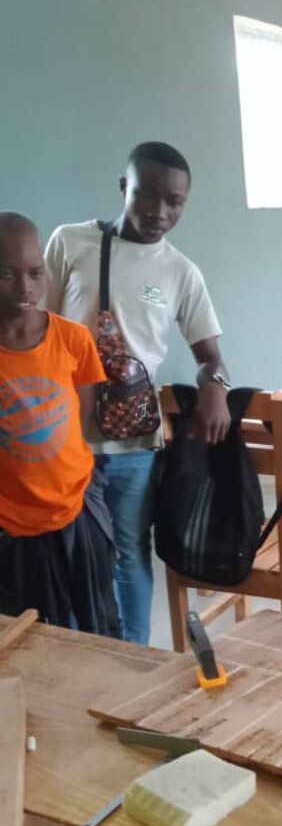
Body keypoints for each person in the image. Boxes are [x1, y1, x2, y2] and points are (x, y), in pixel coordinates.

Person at [44, 141, 232, 645]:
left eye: (175, 202)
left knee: (129, 548)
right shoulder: (69, 243)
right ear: (124, 187)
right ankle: (79, 645)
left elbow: (210, 356)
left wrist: (215, 387)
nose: (160, 212)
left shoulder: (181, 272)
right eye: (149, 196)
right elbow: (40, 329)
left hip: (132, 443)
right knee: (73, 546)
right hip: (65, 438)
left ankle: (133, 653)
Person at [0, 213, 119, 634]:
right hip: (11, 528)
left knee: (95, 628)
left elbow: (80, 421)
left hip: (77, 511)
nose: (25, 288)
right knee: (26, 639)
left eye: (35, 273)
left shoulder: (73, 340)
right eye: (7, 275)